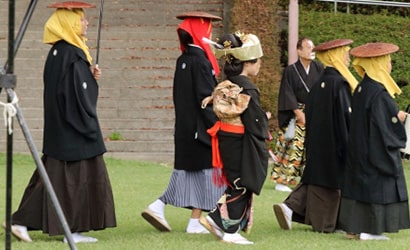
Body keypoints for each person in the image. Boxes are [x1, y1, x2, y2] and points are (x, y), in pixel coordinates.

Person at [7, 1, 116, 243]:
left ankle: (22, 221)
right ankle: (67, 231)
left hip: (62, 128)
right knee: (73, 181)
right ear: (69, 23)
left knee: (54, 178)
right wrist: (88, 121)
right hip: (75, 130)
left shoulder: (60, 52)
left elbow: (72, 88)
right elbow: (78, 95)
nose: (86, 23)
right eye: (81, 19)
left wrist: (89, 75)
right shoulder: (71, 54)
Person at [141, 11, 225, 234]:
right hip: (200, 128)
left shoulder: (184, 60)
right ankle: (159, 205)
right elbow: (205, 99)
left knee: (197, 175)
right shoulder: (200, 62)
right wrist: (219, 122)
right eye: (207, 29)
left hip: (185, 127)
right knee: (200, 174)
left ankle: (194, 221)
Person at [273, 39, 358, 233]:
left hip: (316, 141)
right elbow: (345, 118)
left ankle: (291, 207)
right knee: (330, 183)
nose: (347, 57)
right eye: (344, 53)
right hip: (335, 143)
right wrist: (350, 144)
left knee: (315, 178)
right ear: (334, 56)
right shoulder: (339, 84)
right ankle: (329, 221)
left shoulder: (320, 81)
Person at [199, 32, 270, 245]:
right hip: (240, 141)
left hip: (226, 137)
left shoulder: (228, 83)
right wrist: (264, 120)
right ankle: (228, 230)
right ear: (248, 63)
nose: (259, 65)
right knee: (242, 182)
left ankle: (218, 222)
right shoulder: (246, 87)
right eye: (257, 61)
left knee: (236, 182)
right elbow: (254, 120)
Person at [337, 42, 410, 240]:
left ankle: (354, 228)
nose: (390, 66)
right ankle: (370, 230)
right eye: (387, 61)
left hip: (360, 149)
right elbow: (383, 127)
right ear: (378, 64)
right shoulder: (379, 93)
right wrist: (397, 124)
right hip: (374, 150)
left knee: (359, 187)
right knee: (377, 187)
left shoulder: (362, 88)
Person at [271, 37, 324, 192]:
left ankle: (307, 179)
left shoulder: (319, 68)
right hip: (296, 113)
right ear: (299, 50)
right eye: (308, 47)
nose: (311, 51)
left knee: (312, 148)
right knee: (293, 146)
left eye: (313, 47)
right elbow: (287, 93)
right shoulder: (291, 71)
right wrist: (297, 111)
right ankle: (282, 180)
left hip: (314, 112)